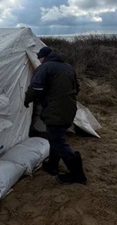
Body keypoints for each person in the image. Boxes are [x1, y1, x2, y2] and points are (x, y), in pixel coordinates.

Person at [24, 46, 87, 185]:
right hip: (69, 108)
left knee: (58, 140)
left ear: (43, 57)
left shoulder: (45, 67)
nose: (39, 61)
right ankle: (52, 165)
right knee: (55, 136)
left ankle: (77, 174)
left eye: (39, 58)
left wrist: (27, 99)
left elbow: (36, 87)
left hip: (55, 110)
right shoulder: (68, 67)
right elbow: (77, 87)